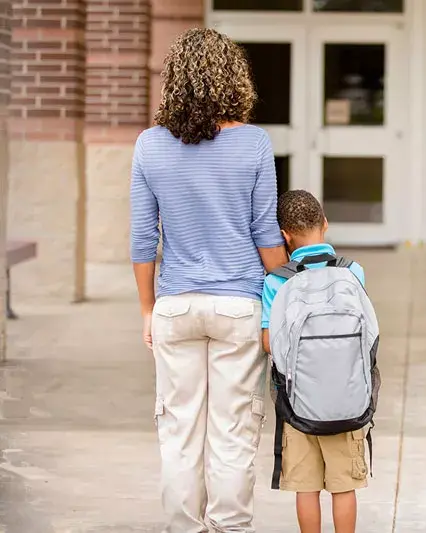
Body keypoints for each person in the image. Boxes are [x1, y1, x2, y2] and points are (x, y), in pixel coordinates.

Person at [129, 28, 288, 533]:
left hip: (176, 306)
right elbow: (266, 235)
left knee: (177, 433)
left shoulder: (149, 146)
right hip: (239, 307)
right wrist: (289, 289)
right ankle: (230, 527)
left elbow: (141, 240)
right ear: (232, 79)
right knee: (234, 431)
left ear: (173, 80)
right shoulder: (254, 143)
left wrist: (147, 310)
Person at [261, 190, 370, 533]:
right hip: (347, 401)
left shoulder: (277, 280)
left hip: (299, 405)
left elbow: (268, 343)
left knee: (306, 487)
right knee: (344, 485)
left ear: (284, 235)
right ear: (325, 224)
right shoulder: (353, 273)